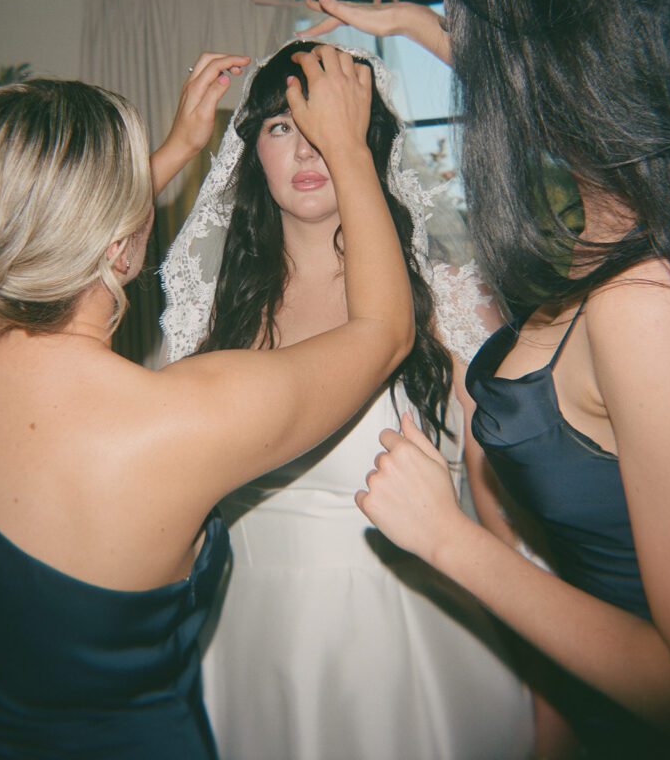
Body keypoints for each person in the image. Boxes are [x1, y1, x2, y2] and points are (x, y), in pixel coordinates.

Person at [306, 0, 670, 757]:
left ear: (547, 55)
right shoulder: (642, 208)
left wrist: (449, 541)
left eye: (472, 27)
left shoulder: (654, 304)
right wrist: (414, 27)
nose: (472, 58)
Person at [0, 45, 415, 759]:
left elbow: (11, 251)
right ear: (123, 248)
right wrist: (347, 147)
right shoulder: (174, 422)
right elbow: (381, 329)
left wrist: (170, 154)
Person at [161, 39, 535, 760]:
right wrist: (177, 147)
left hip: (409, 646)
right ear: (250, 153)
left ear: (369, 143)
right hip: (246, 648)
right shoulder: (214, 318)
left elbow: (505, 513)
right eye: (279, 127)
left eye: (326, 123)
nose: (305, 149)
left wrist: (553, 695)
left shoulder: (445, 300)